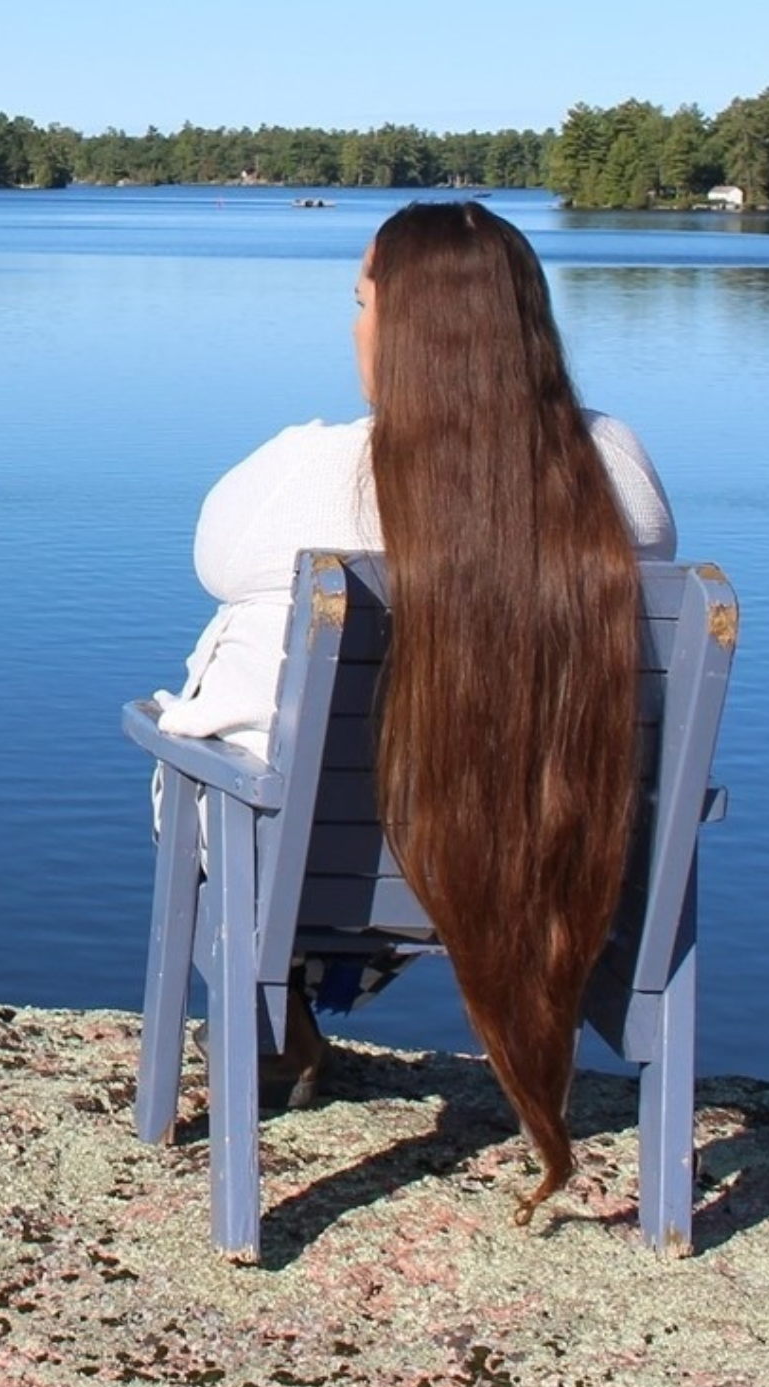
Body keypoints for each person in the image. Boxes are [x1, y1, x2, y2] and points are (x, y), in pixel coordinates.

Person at [153, 200, 676, 1222]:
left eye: (359, 301)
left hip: (324, 868)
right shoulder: (615, 467)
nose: (351, 325)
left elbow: (214, 558)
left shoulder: (306, 471)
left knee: (216, 735)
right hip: (553, 848)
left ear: (401, 326)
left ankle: (279, 1025)